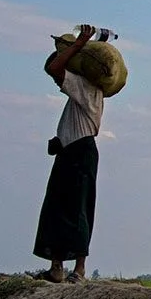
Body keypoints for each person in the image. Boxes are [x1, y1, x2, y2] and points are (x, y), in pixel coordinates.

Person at [33, 27, 105, 283]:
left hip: (80, 153)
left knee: (77, 210)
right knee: (60, 208)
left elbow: (53, 68)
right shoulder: (82, 92)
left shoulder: (84, 86)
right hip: (71, 151)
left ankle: (79, 269)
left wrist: (80, 44)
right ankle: (57, 268)